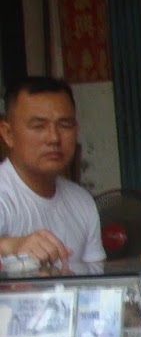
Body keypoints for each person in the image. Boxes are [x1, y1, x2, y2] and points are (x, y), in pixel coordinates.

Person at [0, 76, 104, 264]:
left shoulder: (82, 202)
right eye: (38, 126)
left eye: (65, 125)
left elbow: (95, 275)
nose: (54, 138)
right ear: (8, 134)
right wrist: (9, 246)